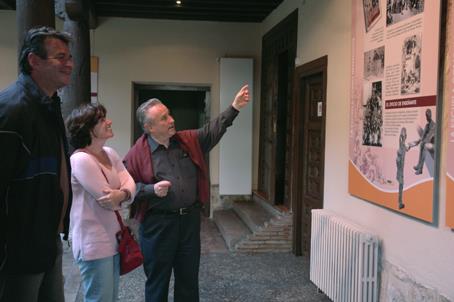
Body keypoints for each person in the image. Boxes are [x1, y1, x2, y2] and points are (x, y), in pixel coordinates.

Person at [124, 85, 250, 302]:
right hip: (157, 226)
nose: (171, 119)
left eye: (169, 114)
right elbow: (127, 189)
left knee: (189, 281)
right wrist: (150, 190)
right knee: (157, 283)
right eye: (164, 118)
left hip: (189, 222)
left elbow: (213, 129)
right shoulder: (136, 155)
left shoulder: (188, 141)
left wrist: (235, 107)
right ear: (149, 127)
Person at [0, 26, 73, 302]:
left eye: (69, 57)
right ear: (34, 61)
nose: (70, 64)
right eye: (60, 57)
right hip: (18, 249)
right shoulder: (12, 110)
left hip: (46, 239)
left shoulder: (48, 107)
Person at [66, 103, 136, 302]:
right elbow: (107, 200)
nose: (109, 122)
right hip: (93, 243)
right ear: (88, 128)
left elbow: (130, 183)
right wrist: (125, 194)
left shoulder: (110, 153)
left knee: (110, 298)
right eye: (102, 119)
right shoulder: (80, 159)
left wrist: (121, 194)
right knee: (100, 298)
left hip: (113, 239)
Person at [413, 108, 436, 175]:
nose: (426, 117)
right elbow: (423, 136)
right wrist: (418, 141)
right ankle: (419, 165)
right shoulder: (427, 125)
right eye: (426, 116)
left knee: (424, 145)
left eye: (427, 116)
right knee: (422, 144)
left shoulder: (434, 126)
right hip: (428, 143)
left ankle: (420, 169)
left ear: (430, 116)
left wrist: (422, 142)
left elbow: (428, 137)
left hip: (434, 145)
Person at [396, 127, 411, 209]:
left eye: (404, 135)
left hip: (401, 169)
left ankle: (400, 202)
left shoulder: (404, 146)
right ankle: (400, 203)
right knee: (401, 184)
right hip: (400, 169)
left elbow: (408, 147)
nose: (403, 137)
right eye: (402, 135)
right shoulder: (401, 146)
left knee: (401, 185)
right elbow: (398, 160)